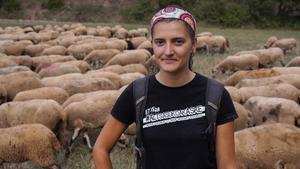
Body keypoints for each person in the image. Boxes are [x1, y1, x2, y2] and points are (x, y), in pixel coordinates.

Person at [93, 5, 238, 169]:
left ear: (194, 45)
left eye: (178, 42)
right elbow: (100, 148)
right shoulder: (137, 92)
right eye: (160, 42)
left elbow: (227, 165)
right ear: (152, 45)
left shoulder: (216, 95)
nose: (168, 51)